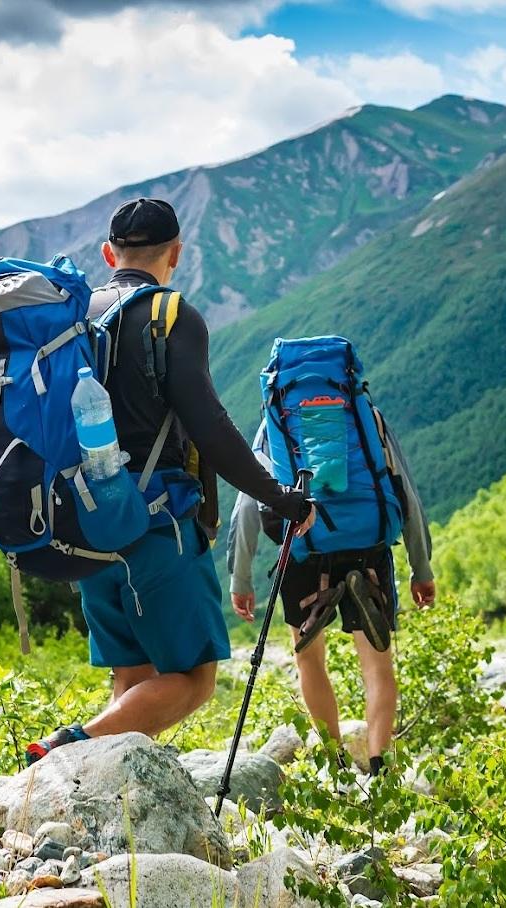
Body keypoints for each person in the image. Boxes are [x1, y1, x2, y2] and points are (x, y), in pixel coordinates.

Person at [25, 198, 315, 762]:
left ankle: (108, 805)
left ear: (110, 254)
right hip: (156, 525)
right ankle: (69, 749)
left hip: (85, 524)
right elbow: (209, 425)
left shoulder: (76, 319)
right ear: (176, 254)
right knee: (192, 679)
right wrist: (277, 496)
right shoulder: (170, 315)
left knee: (132, 680)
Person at [227, 411, 435, 777]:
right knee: (377, 668)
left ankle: (337, 768)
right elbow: (405, 490)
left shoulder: (275, 416)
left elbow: (248, 502)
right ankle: (381, 771)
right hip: (366, 544)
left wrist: (240, 578)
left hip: (303, 545)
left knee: (310, 661)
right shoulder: (365, 414)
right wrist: (421, 567)